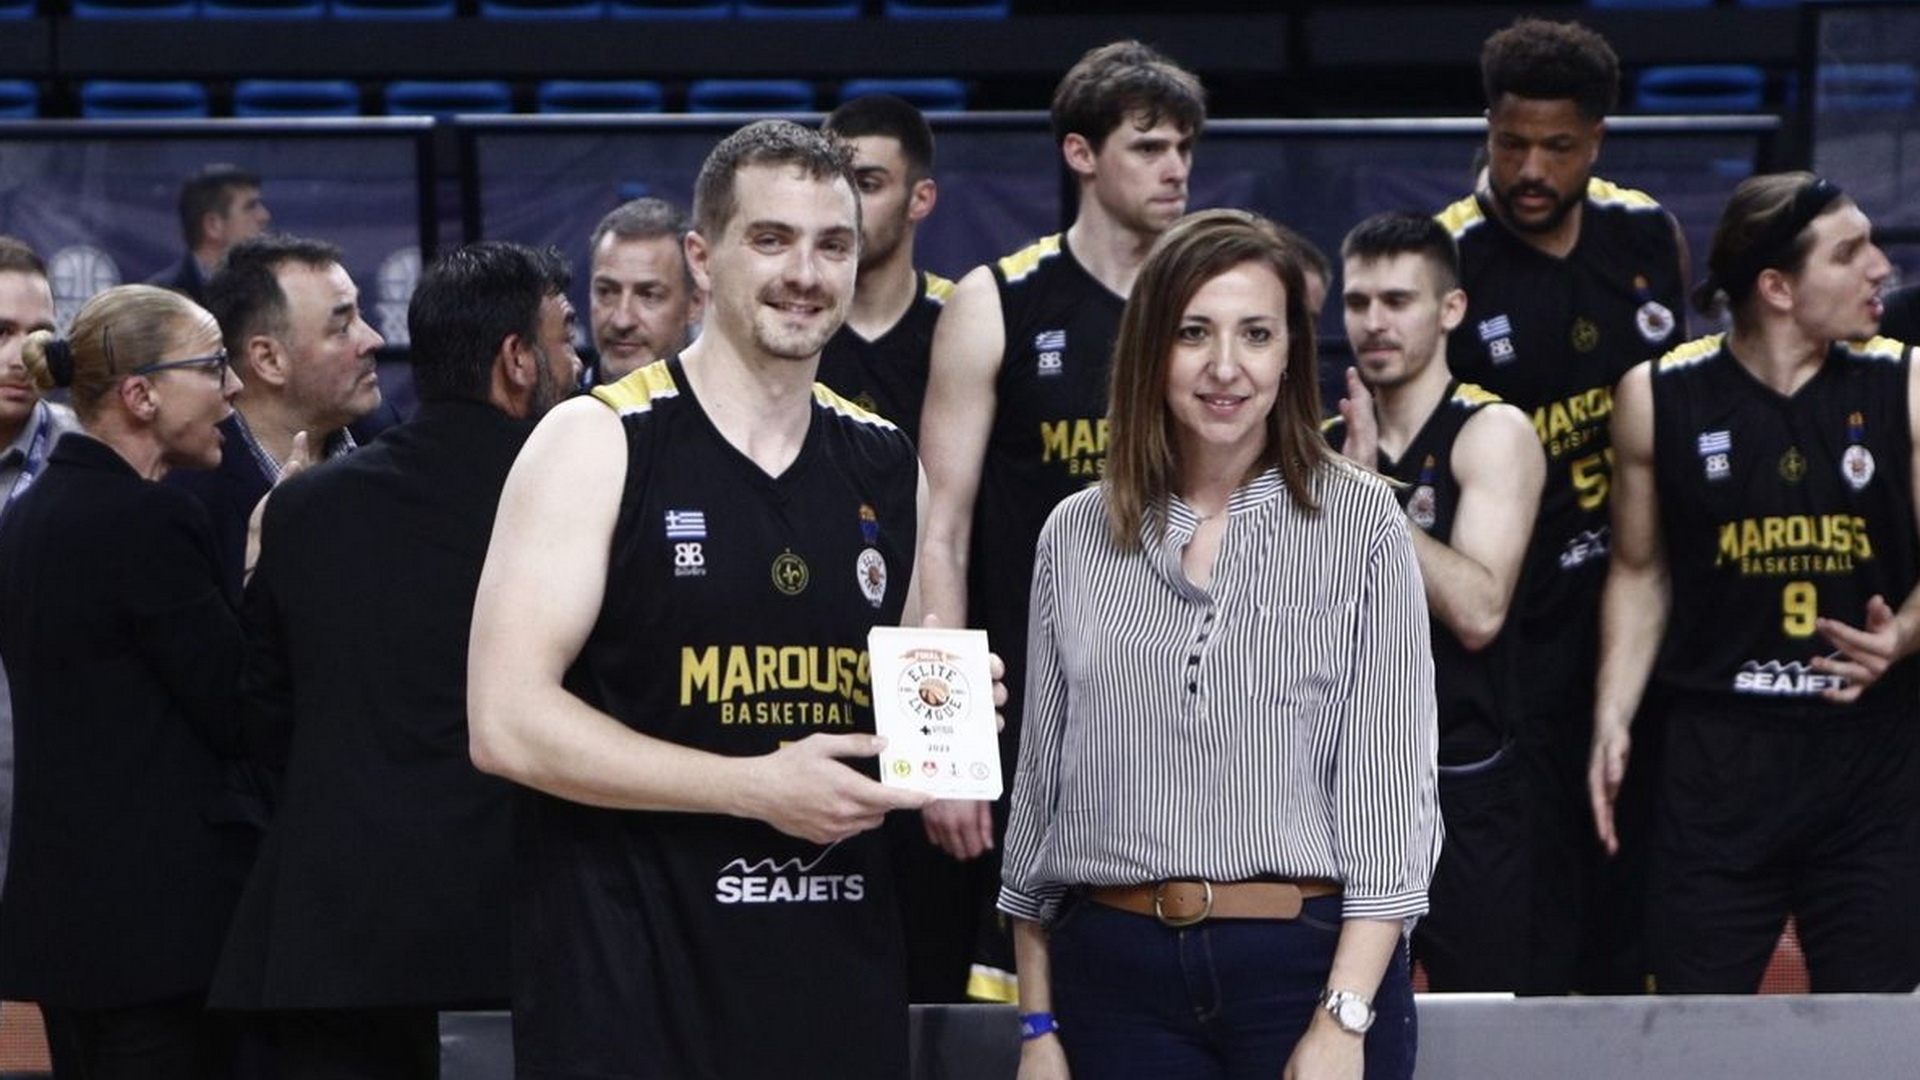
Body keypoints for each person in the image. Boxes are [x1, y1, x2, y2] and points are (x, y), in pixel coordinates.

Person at [467, 120, 938, 1078]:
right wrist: (751, 787)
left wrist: (943, 717)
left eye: (832, 245)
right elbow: (505, 724)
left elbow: (889, 726)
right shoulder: (596, 440)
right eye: (771, 239)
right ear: (702, 257)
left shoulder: (889, 462)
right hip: (631, 999)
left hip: (832, 989)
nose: (804, 273)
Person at [1000, 209, 1439, 1080]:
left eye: (1257, 334)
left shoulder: (1362, 524)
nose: (1226, 366)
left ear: (1290, 356)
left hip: (1308, 971)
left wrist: (1344, 1017)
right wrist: (1037, 1026)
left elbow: (1395, 796)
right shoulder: (1074, 533)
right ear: (1149, 350)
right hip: (1112, 978)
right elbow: (1040, 801)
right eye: (1193, 333)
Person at [208, 242, 581, 1078]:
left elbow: (261, 719)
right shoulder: (583, 504)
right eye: (564, 337)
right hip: (522, 931)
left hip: (332, 945)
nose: (578, 361)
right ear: (517, 361)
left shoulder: (304, 506)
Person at [917, 38, 1206, 1003]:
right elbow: (940, 534)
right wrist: (946, 751)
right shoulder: (996, 302)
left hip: (1196, 715)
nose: (1175, 168)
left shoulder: (1220, 308)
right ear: (1080, 153)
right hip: (1034, 721)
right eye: (1149, 147)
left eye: (1185, 148)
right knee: (1021, 1011)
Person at [1590, 172, 1920, 994]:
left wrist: (1903, 635)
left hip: (1871, 759)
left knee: (1872, 1030)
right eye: (1849, 252)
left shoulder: (1906, 382)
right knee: (1697, 1029)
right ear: (1777, 287)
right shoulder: (1656, 395)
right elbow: (1638, 571)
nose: (1881, 267)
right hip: (1716, 759)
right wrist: (1613, 715)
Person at [1436, 15, 1689, 994]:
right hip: (1514, 629)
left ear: (1597, 140)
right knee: (1533, 901)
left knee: (1637, 885)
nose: (1531, 169)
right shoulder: (1447, 261)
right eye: (1511, 144)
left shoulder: (1645, 233)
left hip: (1635, 605)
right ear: (1487, 130)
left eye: (1558, 146)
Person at [0, 284, 250, 1079]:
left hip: (70, 932)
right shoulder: (149, 521)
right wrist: (265, 567)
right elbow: (238, 710)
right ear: (141, 396)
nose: (232, 387)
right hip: (159, 939)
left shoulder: (26, 518)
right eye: (211, 366)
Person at [1328, 211, 1544, 991]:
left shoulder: (1492, 431)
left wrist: (1365, 499)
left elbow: (1479, 611)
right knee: (1334, 1016)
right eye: (1358, 302)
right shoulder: (1319, 443)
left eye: (1397, 300)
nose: (1373, 323)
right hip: (1341, 786)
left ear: (1450, 309)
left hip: (1465, 779)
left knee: (1482, 1020)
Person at [170, 233, 385, 600]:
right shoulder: (190, 498)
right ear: (269, 360)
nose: (373, 339)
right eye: (342, 327)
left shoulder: (386, 437)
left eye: (360, 316)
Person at [0, 237, 76, 896]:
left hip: (60, 816)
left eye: (40, 334)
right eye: (0, 332)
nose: (21, 356)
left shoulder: (93, 454)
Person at [818, 93, 949, 445]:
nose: (846, 204)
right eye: (836, 183)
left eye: (867, 185)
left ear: (920, 199)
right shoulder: (792, 313)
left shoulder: (960, 319)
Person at [587, 196, 703, 384]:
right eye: (606, 292)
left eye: (649, 295)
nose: (622, 321)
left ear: (695, 303)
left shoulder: (731, 401)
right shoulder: (555, 401)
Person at [149, 164, 272, 303]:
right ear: (213, 225)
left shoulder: (271, 290)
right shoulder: (159, 300)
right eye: (250, 206)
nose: (264, 216)